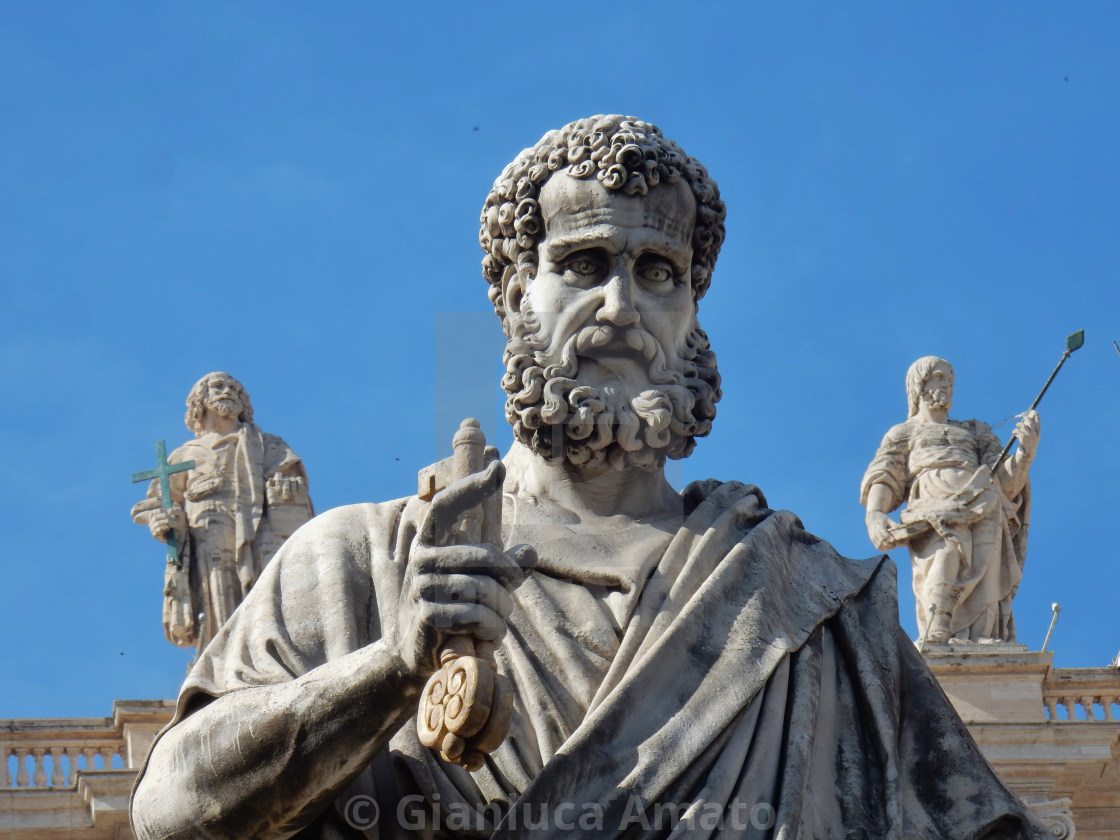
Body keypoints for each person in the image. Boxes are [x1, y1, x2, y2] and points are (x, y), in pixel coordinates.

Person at [131, 117, 1043, 839]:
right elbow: (171, 811)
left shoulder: (815, 612)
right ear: (512, 294)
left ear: (692, 312)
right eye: (583, 264)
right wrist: (389, 671)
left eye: (659, 272)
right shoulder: (360, 563)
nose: (622, 305)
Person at [131, 371, 314, 652]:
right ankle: (223, 657)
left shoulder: (266, 444)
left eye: (234, 388)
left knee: (265, 588)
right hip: (207, 529)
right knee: (217, 593)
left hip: (257, 526)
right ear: (199, 401)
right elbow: (153, 503)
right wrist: (163, 520)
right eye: (217, 386)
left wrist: (286, 486)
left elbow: (291, 480)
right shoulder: (185, 455)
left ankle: (269, 652)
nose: (227, 391)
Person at [861, 356, 1038, 644]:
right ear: (920, 383)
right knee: (944, 558)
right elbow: (885, 474)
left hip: (984, 503)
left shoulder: (976, 431)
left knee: (986, 571)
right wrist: (876, 514)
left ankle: (982, 638)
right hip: (934, 506)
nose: (947, 386)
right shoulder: (904, 432)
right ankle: (937, 631)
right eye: (940, 377)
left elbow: (1006, 483)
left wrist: (1025, 453)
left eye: (950, 380)